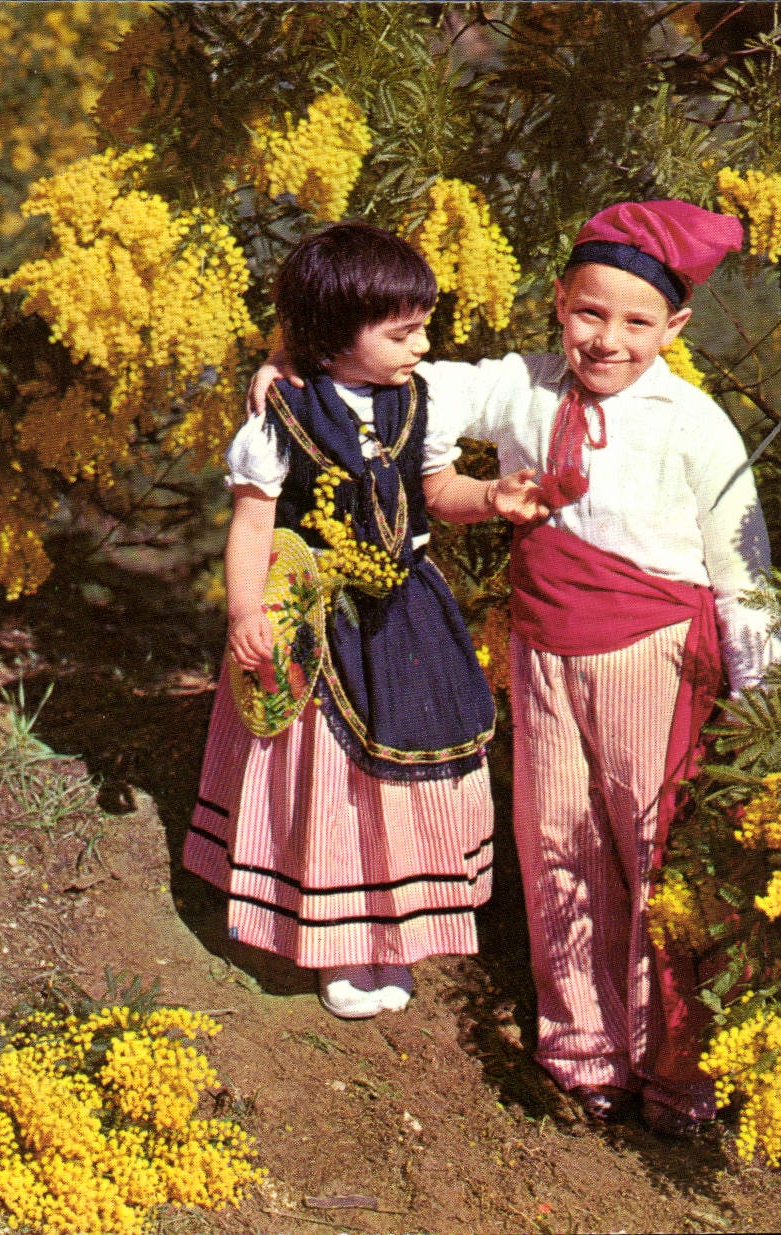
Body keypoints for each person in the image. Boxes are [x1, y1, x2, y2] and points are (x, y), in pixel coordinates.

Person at [252, 200, 779, 1134]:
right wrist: (294, 367)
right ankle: (582, 1049)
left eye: (635, 322)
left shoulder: (693, 425)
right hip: (542, 648)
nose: (606, 339)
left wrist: (762, 693)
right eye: (588, 313)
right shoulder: (523, 388)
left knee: (658, 848)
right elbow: (384, 383)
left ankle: (679, 1062)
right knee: (555, 841)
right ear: (557, 303)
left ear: (675, 327)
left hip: (654, 657)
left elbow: (743, 568)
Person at [187, 222, 547, 1021]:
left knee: (412, 759)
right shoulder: (281, 415)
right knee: (335, 775)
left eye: (422, 324)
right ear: (331, 336)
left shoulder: (422, 398)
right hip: (317, 615)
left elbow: (438, 492)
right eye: (402, 331)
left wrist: (492, 499)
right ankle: (338, 939)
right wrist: (247, 610)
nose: (422, 342)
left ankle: (394, 932)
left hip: (409, 610)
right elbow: (250, 526)